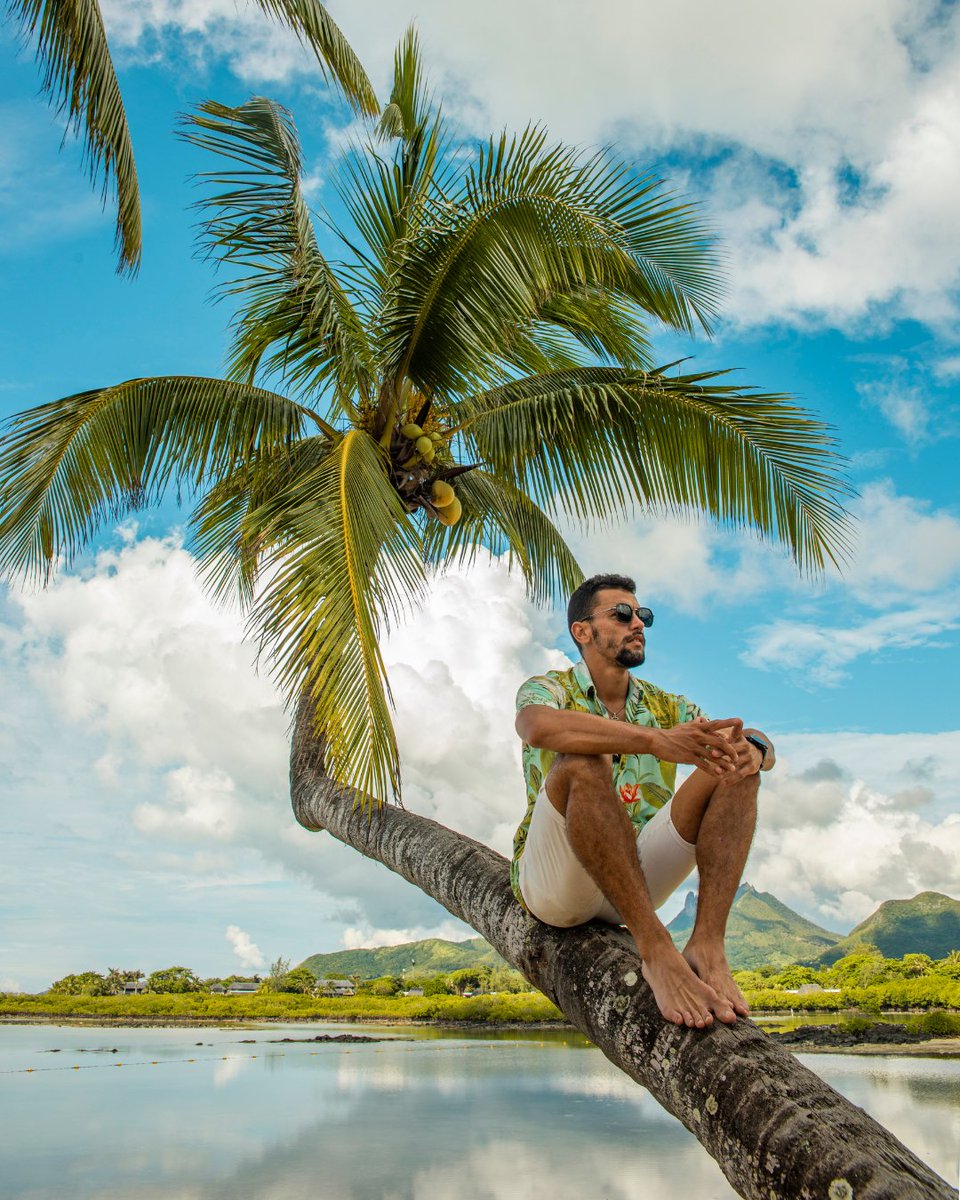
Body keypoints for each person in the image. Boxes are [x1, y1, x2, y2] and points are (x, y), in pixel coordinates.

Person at [512, 573, 775, 1029]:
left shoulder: (667, 705)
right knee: (582, 759)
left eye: (643, 615)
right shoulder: (550, 688)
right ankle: (657, 952)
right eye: (622, 614)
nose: (638, 624)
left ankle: (708, 944)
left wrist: (755, 749)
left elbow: (745, 738)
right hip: (559, 886)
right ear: (583, 631)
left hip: (634, 880)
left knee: (734, 770)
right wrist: (654, 742)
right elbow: (538, 727)